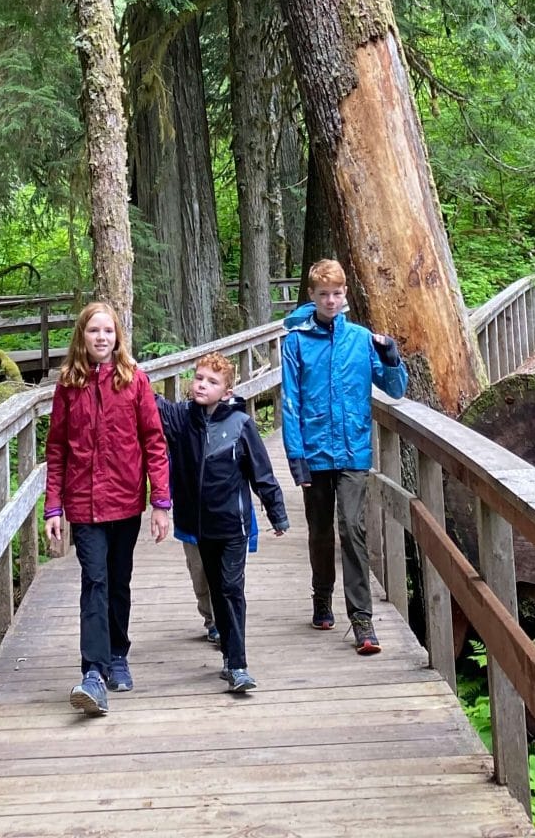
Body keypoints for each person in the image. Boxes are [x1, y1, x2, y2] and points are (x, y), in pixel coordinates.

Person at [44, 302, 172, 715]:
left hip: (125, 499)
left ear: (118, 337)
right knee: (94, 582)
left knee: (118, 582)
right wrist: (52, 508)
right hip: (83, 504)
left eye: (109, 331)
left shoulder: (134, 381)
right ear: (82, 337)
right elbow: (57, 449)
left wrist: (160, 502)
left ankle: (119, 655)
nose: (102, 338)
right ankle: (93, 673)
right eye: (94, 331)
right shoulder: (68, 385)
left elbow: (154, 441)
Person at [280, 258, 407, 654]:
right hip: (314, 452)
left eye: (337, 294)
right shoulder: (296, 342)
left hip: (353, 450)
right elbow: (290, 403)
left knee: (352, 528)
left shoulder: (360, 339)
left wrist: (390, 356)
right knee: (319, 532)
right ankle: (321, 596)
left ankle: (362, 620)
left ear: (345, 294)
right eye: (323, 295)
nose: (331, 301)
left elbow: (395, 388)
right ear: (312, 297)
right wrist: (296, 456)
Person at [157, 353, 289, 695]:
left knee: (231, 589)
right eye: (199, 378)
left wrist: (277, 513)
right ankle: (230, 657)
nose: (202, 385)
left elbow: (262, 472)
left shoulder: (240, 424)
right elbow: (147, 399)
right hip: (199, 526)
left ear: (227, 391)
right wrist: (118, 359)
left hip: (233, 524)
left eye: (212, 382)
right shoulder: (180, 418)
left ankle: (238, 663)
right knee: (217, 589)